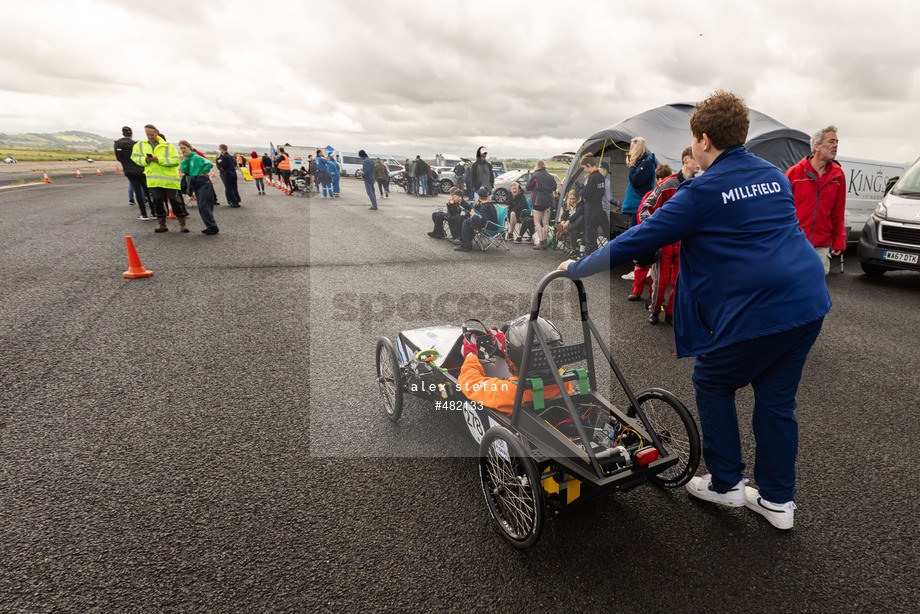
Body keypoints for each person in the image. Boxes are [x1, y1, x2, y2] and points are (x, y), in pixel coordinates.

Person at [557, 90, 832, 530]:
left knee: (712, 380)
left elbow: (637, 239)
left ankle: (727, 484)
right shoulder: (775, 176)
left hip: (761, 310)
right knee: (777, 401)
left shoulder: (700, 191)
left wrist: (580, 266)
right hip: (807, 303)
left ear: (703, 140)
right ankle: (778, 501)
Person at [458, 315, 571, 416]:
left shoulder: (507, 391)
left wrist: (470, 356)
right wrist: (506, 348)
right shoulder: (565, 380)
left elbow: (470, 383)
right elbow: (534, 362)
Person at [642, 149, 700, 325]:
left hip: (685, 244)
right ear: (685, 160)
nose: (699, 162)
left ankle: (670, 312)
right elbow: (646, 208)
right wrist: (655, 234)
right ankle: (655, 310)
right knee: (661, 282)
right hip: (665, 242)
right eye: (695, 159)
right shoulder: (668, 183)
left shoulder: (699, 185)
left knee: (680, 282)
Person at [786, 126, 846, 275]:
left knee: (817, 289)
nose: (836, 145)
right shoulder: (794, 173)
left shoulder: (838, 176)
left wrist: (839, 239)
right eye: (831, 141)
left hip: (822, 245)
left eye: (837, 142)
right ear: (817, 146)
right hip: (796, 243)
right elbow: (781, 209)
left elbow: (838, 211)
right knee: (792, 284)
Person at [131, 124, 189, 233]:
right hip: (153, 180)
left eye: (152, 134)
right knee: (157, 201)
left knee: (175, 201)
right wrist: (145, 160)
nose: (150, 136)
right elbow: (134, 157)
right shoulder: (140, 145)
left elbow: (176, 161)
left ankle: (183, 224)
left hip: (169, 180)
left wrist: (159, 160)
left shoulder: (168, 146)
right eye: (147, 134)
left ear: (157, 133)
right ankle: (162, 224)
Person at [629, 164, 674, 303]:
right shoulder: (650, 195)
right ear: (657, 180)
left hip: (664, 238)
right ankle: (637, 290)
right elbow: (640, 213)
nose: (663, 184)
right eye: (661, 180)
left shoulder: (673, 196)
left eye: (666, 180)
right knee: (642, 264)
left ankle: (652, 293)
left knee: (657, 269)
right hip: (648, 236)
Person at [620, 137, 657, 280]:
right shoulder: (642, 163)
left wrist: (631, 167)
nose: (629, 150)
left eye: (631, 147)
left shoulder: (646, 163)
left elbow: (637, 181)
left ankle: (641, 268)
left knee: (636, 238)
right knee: (634, 236)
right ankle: (640, 268)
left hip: (639, 205)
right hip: (634, 206)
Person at [178, 140, 219, 235]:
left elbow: (209, 163)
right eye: (181, 148)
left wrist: (204, 172)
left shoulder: (196, 157)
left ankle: (212, 227)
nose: (183, 150)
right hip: (194, 181)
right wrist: (185, 160)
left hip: (202, 181)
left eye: (184, 148)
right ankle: (211, 226)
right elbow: (184, 170)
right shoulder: (186, 159)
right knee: (202, 206)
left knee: (204, 205)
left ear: (189, 147)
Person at [114, 126, 151, 220]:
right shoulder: (136, 144)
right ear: (131, 134)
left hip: (129, 170)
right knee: (147, 191)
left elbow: (118, 158)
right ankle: (154, 212)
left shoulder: (117, 144)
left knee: (137, 192)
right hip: (141, 169)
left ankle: (144, 214)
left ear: (123, 133)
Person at [577, 153, 605, 255]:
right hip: (598, 207)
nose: (584, 170)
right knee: (593, 234)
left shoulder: (593, 177)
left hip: (591, 208)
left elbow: (585, 194)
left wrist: (579, 190)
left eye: (584, 167)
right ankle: (594, 256)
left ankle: (590, 257)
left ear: (588, 165)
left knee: (590, 235)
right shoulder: (600, 176)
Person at [527, 159, 557, 250]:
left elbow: (528, 187)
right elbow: (554, 187)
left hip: (538, 201)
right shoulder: (551, 177)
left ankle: (541, 241)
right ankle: (544, 241)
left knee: (537, 222)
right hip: (548, 201)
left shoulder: (535, 176)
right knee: (545, 223)